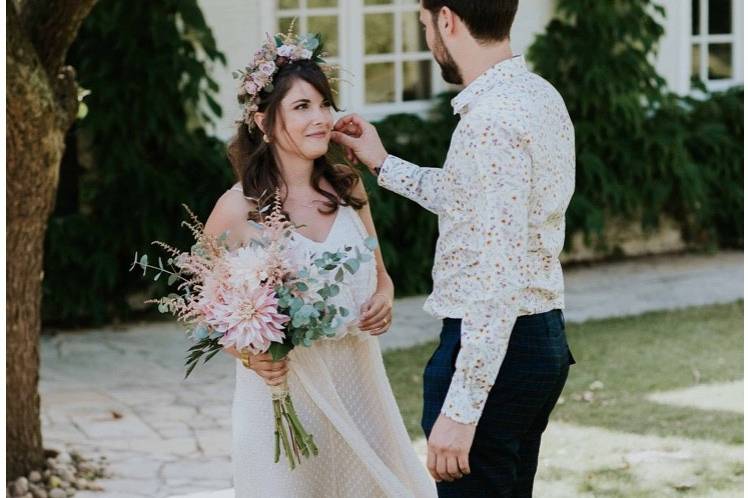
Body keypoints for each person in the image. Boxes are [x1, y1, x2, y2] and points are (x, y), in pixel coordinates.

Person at [331, 1, 577, 496]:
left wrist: (462, 410)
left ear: (446, 20)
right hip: (539, 340)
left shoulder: (490, 123)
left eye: (424, 26)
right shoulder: (536, 94)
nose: (428, 41)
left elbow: (497, 274)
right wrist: (382, 163)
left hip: (494, 351)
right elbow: (475, 200)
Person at [203, 32, 436, 498]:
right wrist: (248, 355)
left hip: (360, 384)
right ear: (263, 122)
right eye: (302, 107)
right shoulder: (237, 209)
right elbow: (207, 307)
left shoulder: (348, 188)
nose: (320, 119)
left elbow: (382, 275)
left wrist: (384, 299)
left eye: (324, 105)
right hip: (287, 395)